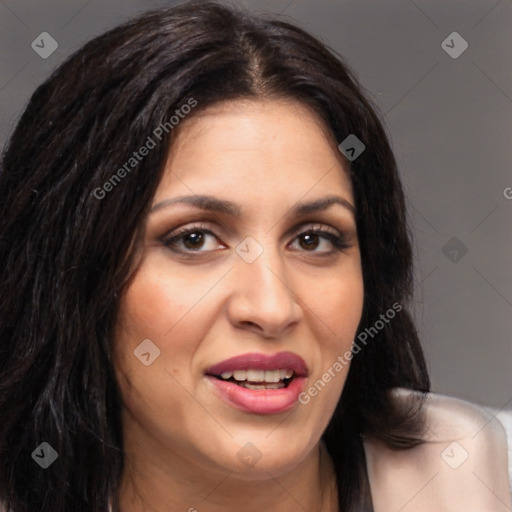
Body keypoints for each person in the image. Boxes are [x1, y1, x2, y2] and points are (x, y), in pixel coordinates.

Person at [0, 2, 509, 511]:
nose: (272, 308)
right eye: (194, 239)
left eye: (313, 239)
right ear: (73, 272)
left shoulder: (473, 475)